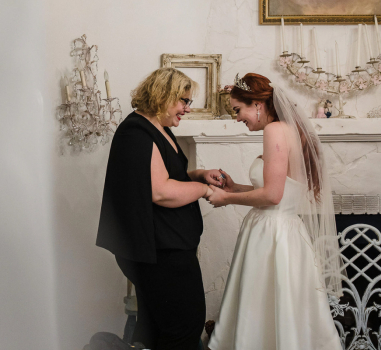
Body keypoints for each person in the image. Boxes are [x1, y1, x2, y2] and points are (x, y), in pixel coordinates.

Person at [205, 73, 344, 350]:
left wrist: (225, 200)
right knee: (282, 308)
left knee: (261, 308)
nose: (237, 118)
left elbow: (272, 195)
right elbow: (281, 190)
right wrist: (235, 188)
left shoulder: (275, 130)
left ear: (257, 103)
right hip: (282, 230)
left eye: (237, 110)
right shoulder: (288, 130)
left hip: (272, 234)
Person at [96, 68, 227, 350]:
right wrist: (206, 190)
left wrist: (199, 175)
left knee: (157, 329)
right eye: (183, 100)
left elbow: (167, 177)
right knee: (184, 327)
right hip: (159, 252)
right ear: (162, 95)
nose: (187, 108)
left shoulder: (158, 129)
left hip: (166, 248)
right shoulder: (137, 132)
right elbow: (161, 191)